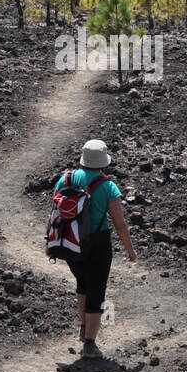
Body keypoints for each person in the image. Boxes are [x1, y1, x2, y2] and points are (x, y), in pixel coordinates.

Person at [55, 139, 137, 360]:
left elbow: (57, 208)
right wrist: (130, 250)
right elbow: (120, 224)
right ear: (103, 162)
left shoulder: (66, 178)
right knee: (96, 290)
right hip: (98, 243)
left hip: (71, 241)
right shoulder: (108, 186)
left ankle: (84, 328)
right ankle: (90, 344)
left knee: (82, 283)